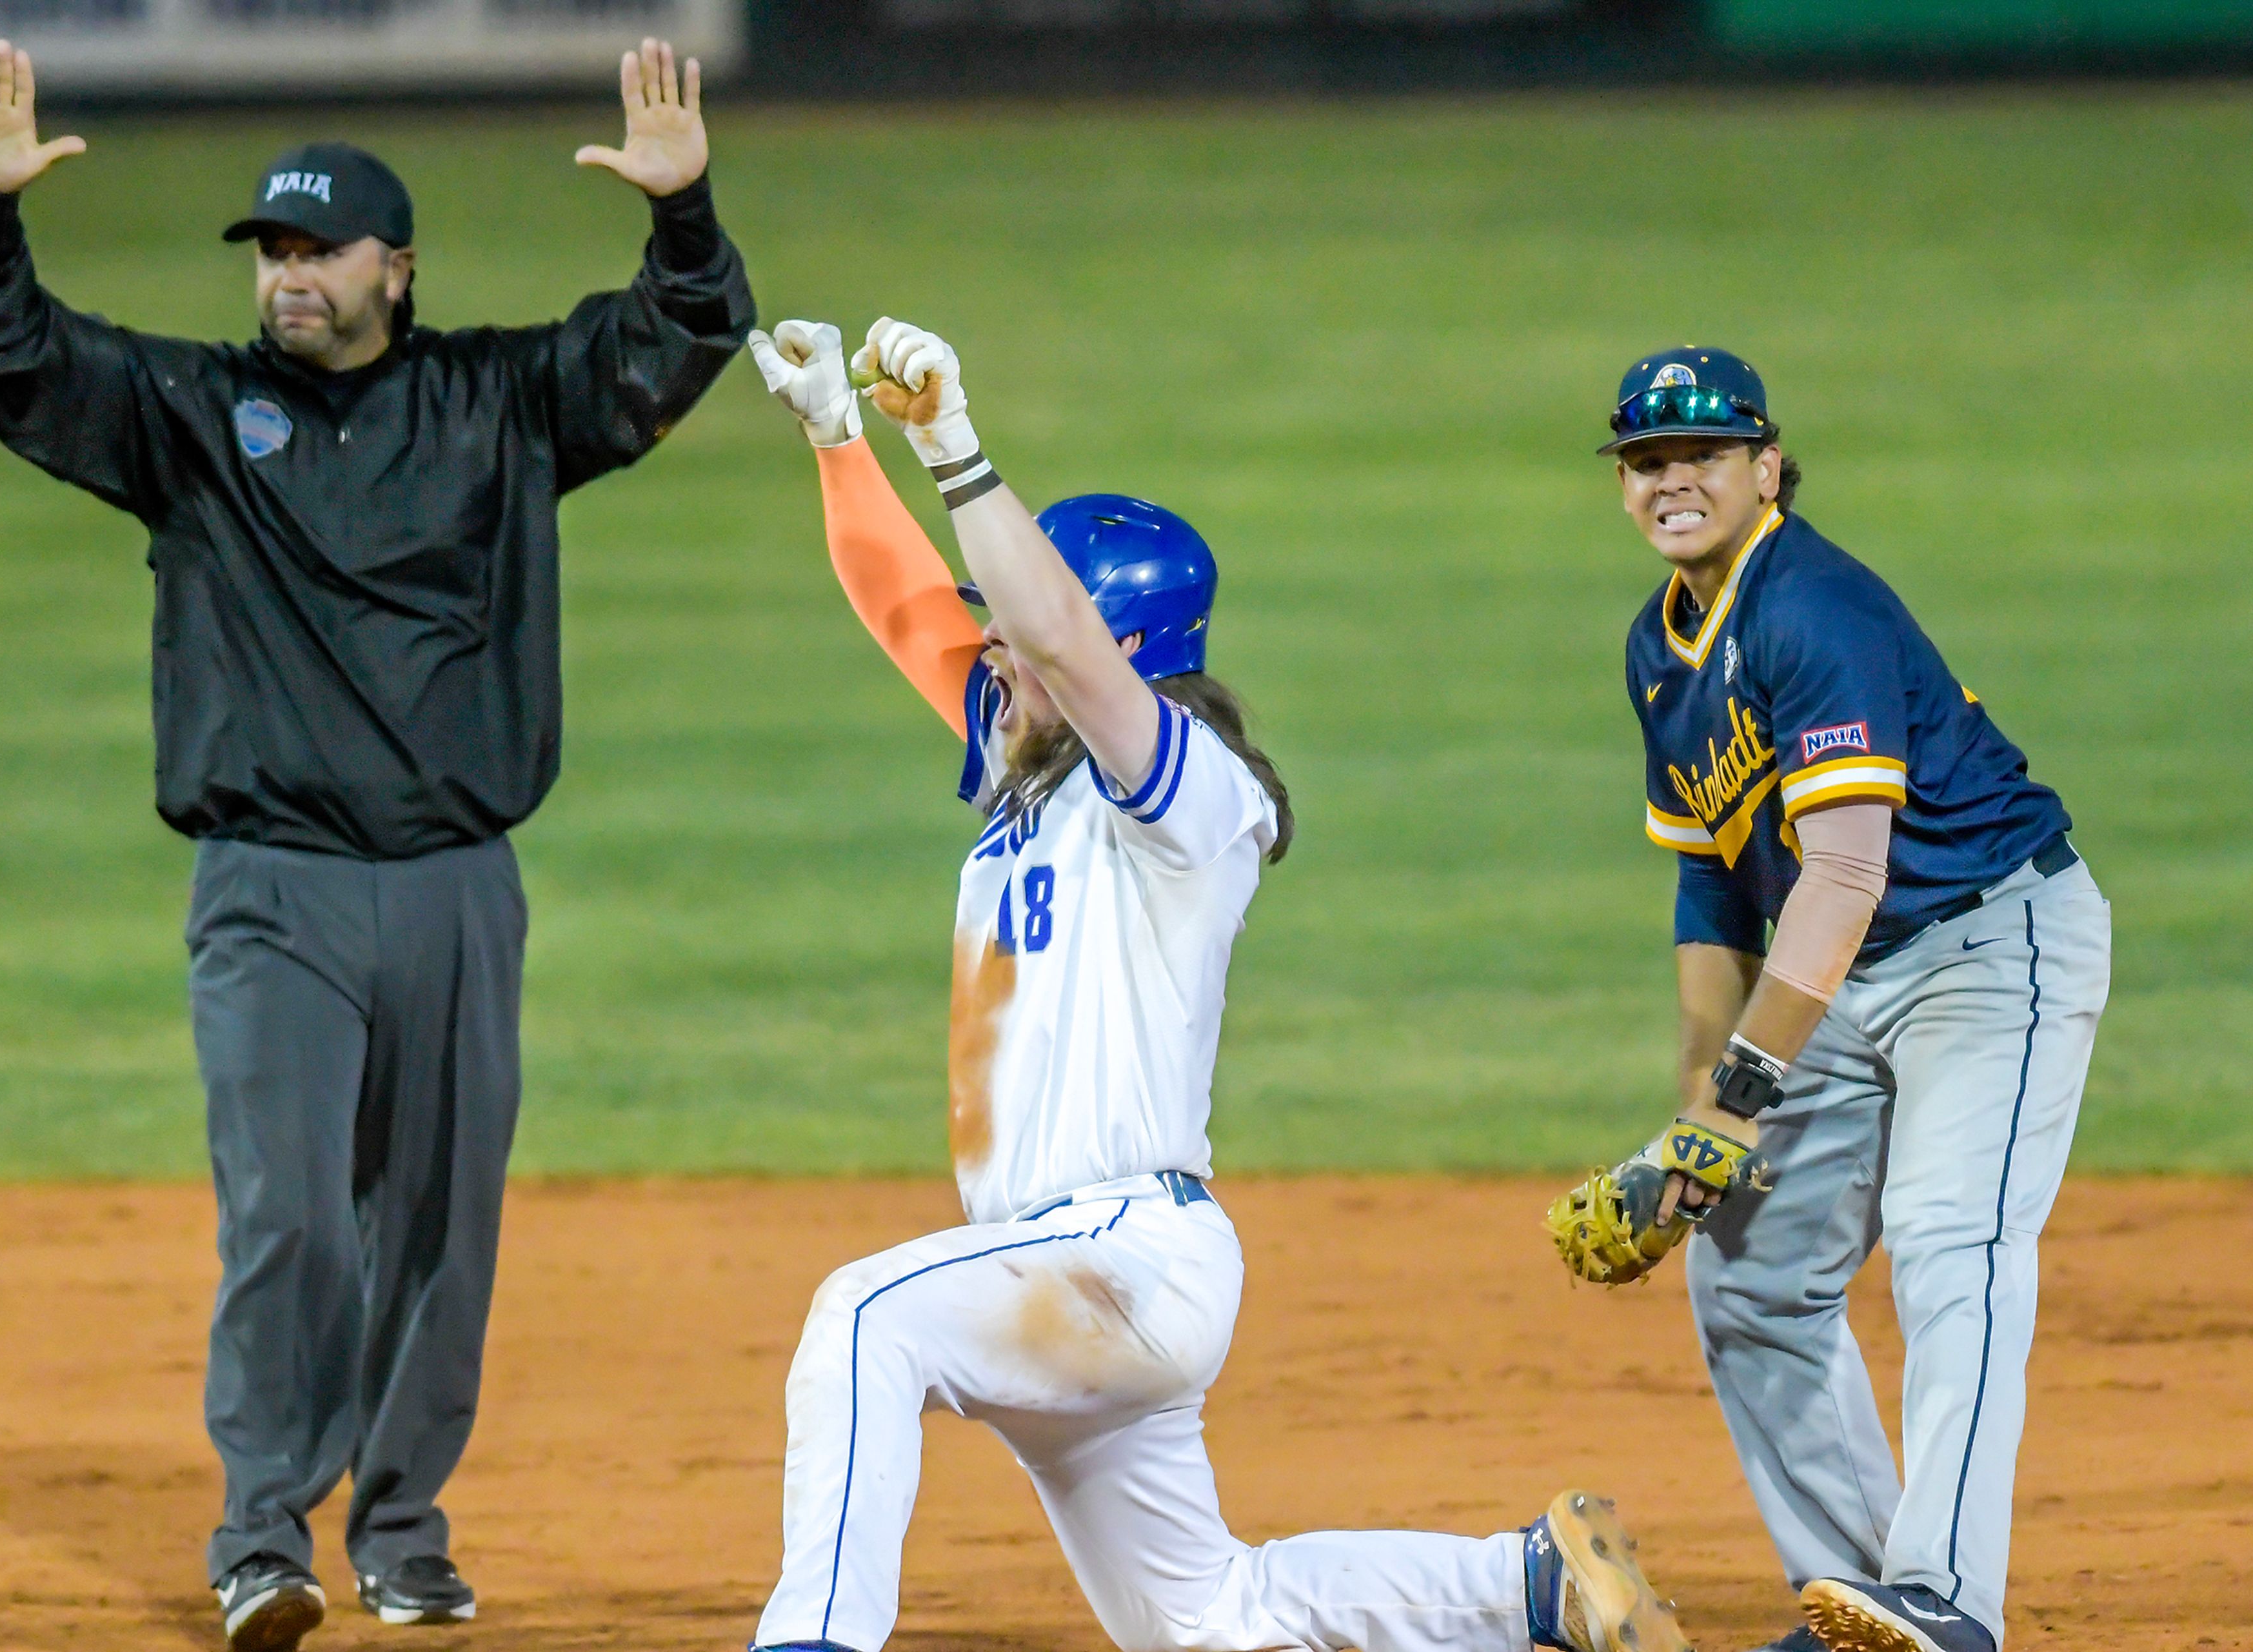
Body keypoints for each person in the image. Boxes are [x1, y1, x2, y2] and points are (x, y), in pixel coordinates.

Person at [0, 37, 753, 1652]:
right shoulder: (188, 415)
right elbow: (17, 361)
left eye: (319, 251)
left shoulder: (498, 401)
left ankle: (400, 1531)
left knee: (441, 1231)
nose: (291, 277)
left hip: (457, 886)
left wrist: (684, 216)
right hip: (275, 891)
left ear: (399, 267)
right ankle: (261, 1539)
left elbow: (676, 339)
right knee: (294, 1217)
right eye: (273, 253)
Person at [742, 314, 1694, 1652]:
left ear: (1115, 653)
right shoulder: (1036, 763)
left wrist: (956, 449)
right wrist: (841, 441)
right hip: (1058, 1281)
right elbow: (917, 611)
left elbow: (1059, 644)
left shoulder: (1185, 791)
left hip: (1121, 1261)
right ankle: (1529, 1587)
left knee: (865, 1317)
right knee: (1203, 1620)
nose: (990, 657)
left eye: (1012, 635)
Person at [1587, 349, 2110, 1652]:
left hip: (1989, 945)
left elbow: (1845, 869)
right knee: (1750, 1280)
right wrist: (1695, 1123)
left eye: (1703, 454)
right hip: (1842, 972)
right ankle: (1858, 1608)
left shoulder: (1810, 607)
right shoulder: (1658, 646)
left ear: (1767, 469)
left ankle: (1947, 1598)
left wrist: (1745, 1097)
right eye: (1647, 461)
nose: (1672, 480)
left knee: (1953, 1247)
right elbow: (1715, 891)